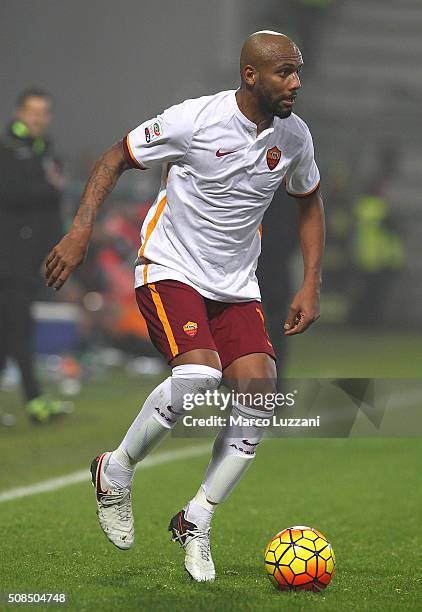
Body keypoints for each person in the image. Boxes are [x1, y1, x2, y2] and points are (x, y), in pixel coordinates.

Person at [45, 31, 325, 582]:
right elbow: (115, 157)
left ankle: (196, 517)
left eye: (298, 72)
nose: (296, 82)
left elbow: (309, 199)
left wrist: (311, 281)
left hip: (235, 282)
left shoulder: (294, 136)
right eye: (284, 72)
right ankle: (117, 469)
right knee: (199, 374)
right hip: (170, 265)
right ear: (251, 76)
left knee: (259, 393)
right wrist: (80, 230)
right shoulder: (193, 120)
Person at [0, 88, 71, 423]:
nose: (37, 118)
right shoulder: (8, 150)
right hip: (7, 256)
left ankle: (33, 400)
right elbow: (11, 192)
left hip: (28, 257)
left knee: (7, 330)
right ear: (18, 113)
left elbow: (51, 208)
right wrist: (50, 186)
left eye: (43, 112)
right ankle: (35, 400)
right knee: (19, 327)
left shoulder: (45, 152)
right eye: (32, 111)